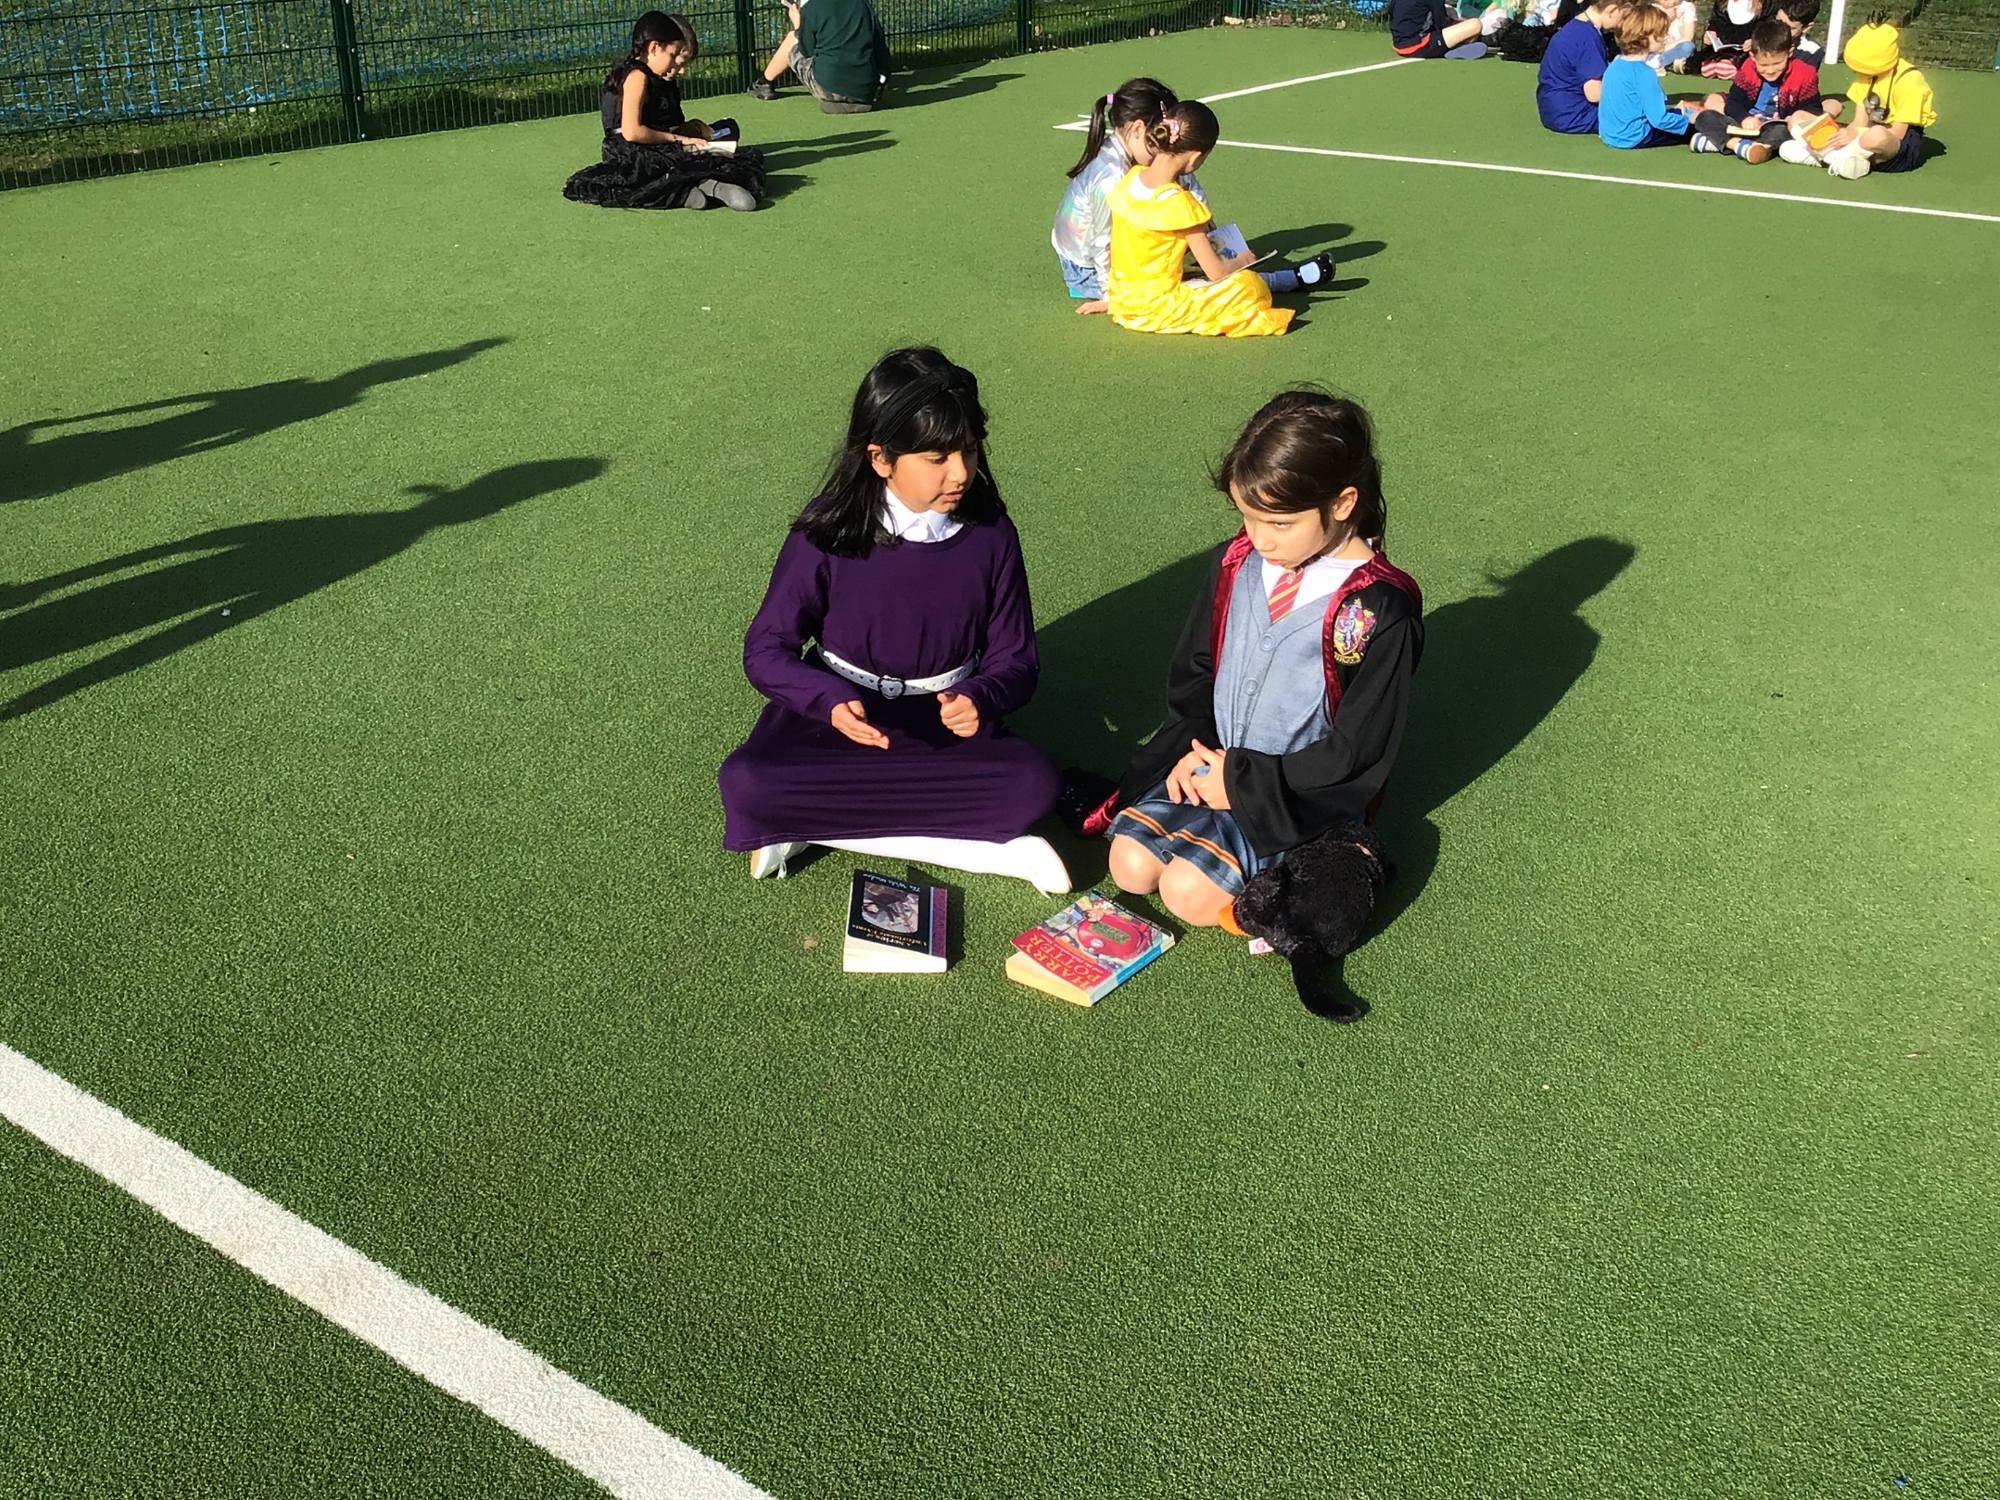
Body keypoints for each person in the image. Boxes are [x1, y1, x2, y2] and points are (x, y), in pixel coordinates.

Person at [718, 347, 1068, 893]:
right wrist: (827, 700)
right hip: (837, 718)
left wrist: (981, 696)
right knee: (746, 782)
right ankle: (988, 852)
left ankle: (806, 828)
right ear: (880, 458)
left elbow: (1016, 661)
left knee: (1034, 783)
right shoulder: (828, 529)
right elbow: (766, 649)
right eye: (937, 457)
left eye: (969, 450)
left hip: (943, 724)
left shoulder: (992, 534)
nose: (960, 472)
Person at [1089, 390, 1423, 933]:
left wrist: (1244, 785)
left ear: (1342, 503)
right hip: (1213, 761)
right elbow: (1197, 671)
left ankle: (1274, 893)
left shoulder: (1379, 609)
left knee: (1186, 894)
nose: (1259, 538)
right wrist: (1190, 753)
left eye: (1280, 523)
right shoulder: (1237, 561)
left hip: (1293, 795)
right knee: (1128, 863)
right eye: (1247, 516)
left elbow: (1356, 750)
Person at [1054, 79, 1337, 316]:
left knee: (1191, 259)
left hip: (1125, 254)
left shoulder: (1144, 157)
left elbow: (1188, 183)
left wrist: (1205, 225)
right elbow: (1102, 241)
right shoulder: (1110, 176)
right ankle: (1285, 280)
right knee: (1197, 280)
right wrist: (1112, 297)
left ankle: (1269, 276)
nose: (1162, 145)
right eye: (1156, 137)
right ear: (1137, 129)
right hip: (1088, 269)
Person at [1102, 102, 1295, 339]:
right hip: (1156, 307)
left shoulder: (1130, 179)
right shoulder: (1180, 205)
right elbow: (1216, 272)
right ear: (1194, 158)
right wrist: (1242, 260)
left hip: (1121, 299)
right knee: (1249, 285)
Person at [563, 12, 765, 210]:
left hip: (651, 143)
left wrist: (687, 134)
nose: (679, 66)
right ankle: (697, 188)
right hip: (632, 152)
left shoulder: (647, 75)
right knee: (682, 161)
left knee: (724, 131)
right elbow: (632, 132)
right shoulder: (637, 75)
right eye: (673, 55)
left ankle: (695, 187)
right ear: (654, 48)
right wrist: (677, 139)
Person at [1780, 18, 1934, 177]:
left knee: (1876, 134)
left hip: (1895, 148)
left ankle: (1827, 156)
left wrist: (1855, 133)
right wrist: (1848, 133)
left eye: (1861, 68)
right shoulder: (1868, 76)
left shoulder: (1910, 82)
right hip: (1863, 136)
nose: (1856, 72)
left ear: (1876, 64)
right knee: (1798, 117)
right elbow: (1859, 122)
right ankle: (1837, 159)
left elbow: (1898, 133)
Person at [1688, 19, 1821, 162]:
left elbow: (1814, 110)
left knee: (1783, 132)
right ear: (1753, 57)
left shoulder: (1805, 74)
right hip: (1743, 125)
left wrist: (1793, 118)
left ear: (1789, 52)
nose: (1770, 70)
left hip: (1773, 127)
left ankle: (1721, 142)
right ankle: (1742, 146)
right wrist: (1744, 118)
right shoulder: (1748, 67)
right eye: (1763, 65)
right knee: (1705, 117)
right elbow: (1733, 102)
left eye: (1777, 63)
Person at [747, 0, 890, 113]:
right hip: (867, 89)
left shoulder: (812, 6)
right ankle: (856, 98)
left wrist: (799, 26)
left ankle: (763, 83)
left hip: (827, 87)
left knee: (792, 38)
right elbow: (881, 49)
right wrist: (881, 82)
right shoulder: (862, 4)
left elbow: (806, 51)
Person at [1598, 5, 1698, 147]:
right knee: (1697, 126)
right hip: (1636, 137)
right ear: (1644, 37)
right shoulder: (1644, 73)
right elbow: (1659, 120)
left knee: (1678, 112)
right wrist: (1690, 121)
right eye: (1661, 33)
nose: (1666, 36)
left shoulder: (1616, 62)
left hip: (1611, 135)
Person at [1536, 0, 1626, 133]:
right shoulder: (1587, 38)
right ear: (1611, 10)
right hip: (1575, 114)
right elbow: (1594, 94)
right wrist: (1631, 95)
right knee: (1640, 119)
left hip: (1552, 109)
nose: (1624, 22)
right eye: (1624, 16)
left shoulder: (1575, 26)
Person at [1390, 0, 1509, 58]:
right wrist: (1460, 24)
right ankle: (1455, 48)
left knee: (1449, 11)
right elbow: (1442, 23)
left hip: (1398, 44)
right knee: (1475, 24)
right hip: (1418, 46)